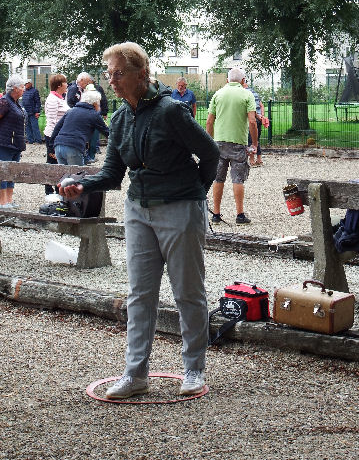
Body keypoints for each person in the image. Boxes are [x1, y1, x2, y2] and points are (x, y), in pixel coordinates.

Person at [59, 42, 219, 399]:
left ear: (141, 74)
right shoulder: (120, 118)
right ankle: (135, 375)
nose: (111, 81)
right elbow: (113, 173)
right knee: (140, 294)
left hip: (180, 209)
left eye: (118, 74)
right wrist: (83, 185)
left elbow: (210, 154)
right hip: (138, 211)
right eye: (109, 74)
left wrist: (195, 193)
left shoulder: (171, 111)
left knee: (188, 292)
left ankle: (193, 369)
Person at [206, 67, 258, 225]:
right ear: (243, 81)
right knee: (237, 179)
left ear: (227, 80)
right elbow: (252, 121)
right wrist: (254, 143)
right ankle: (240, 215)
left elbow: (209, 122)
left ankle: (216, 214)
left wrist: (209, 142)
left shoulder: (218, 94)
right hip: (238, 142)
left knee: (218, 178)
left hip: (219, 142)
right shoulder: (247, 94)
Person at [51, 85, 109, 166]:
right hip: (73, 147)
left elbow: (57, 128)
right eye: (99, 103)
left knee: (64, 173)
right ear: (95, 103)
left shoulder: (70, 111)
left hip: (59, 146)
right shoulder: (94, 115)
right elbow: (107, 132)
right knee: (77, 173)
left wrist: (51, 146)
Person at [0, 75, 26, 208]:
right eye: (22, 87)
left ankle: (9, 200)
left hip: (16, 144)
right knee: (3, 171)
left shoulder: (16, 103)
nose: (24, 89)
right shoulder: (4, 102)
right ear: (15, 88)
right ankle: (2, 201)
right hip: (5, 143)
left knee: (12, 173)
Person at [44, 74, 69, 195]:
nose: (67, 84)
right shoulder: (52, 100)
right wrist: (52, 143)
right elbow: (52, 121)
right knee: (52, 163)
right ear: (59, 85)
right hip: (53, 136)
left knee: (58, 163)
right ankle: (49, 191)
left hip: (60, 135)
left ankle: (57, 189)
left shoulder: (60, 98)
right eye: (65, 82)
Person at [244, 80, 264, 167]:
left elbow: (251, 109)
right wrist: (262, 116)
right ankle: (259, 159)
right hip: (259, 119)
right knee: (256, 139)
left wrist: (256, 115)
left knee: (250, 140)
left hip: (252, 118)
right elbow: (261, 105)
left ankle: (251, 159)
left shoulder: (245, 93)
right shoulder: (254, 92)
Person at [22, 79, 42, 144]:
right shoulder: (24, 91)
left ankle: (38, 140)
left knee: (35, 127)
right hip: (26, 112)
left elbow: (38, 102)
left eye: (26, 84)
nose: (25, 85)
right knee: (27, 127)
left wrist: (37, 111)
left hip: (33, 112)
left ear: (30, 83)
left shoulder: (35, 91)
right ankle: (30, 140)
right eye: (25, 84)